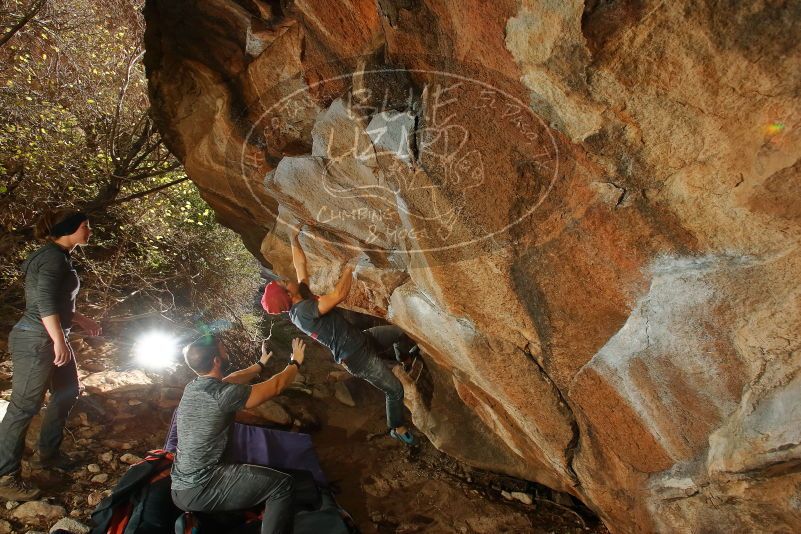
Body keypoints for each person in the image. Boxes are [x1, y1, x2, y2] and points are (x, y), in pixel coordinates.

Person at [261, 229, 418, 446]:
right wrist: (351, 266)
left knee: (400, 333)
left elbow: (300, 267)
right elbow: (338, 295)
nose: (285, 280)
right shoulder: (303, 312)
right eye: (282, 284)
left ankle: (405, 360)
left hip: (361, 340)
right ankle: (397, 428)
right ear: (288, 295)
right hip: (357, 358)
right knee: (395, 390)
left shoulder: (300, 298)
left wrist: (293, 238)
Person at [0, 209, 102, 501]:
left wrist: (79, 319)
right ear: (70, 229)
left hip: (49, 335)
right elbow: (43, 301)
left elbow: (56, 299)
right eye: (85, 225)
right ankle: (5, 476)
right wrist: (58, 340)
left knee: (68, 391)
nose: (89, 230)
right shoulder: (52, 259)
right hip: (36, 340)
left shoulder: (57, 255)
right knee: (23, 407)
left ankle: (48, 454)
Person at [171, 334, 307, 534]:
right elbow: (276, 385)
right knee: (282, 486)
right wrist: (295, 361)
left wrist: (259, 365)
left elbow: (231, 379)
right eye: (223, 349)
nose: (227, 351)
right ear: (216, 360)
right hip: (202, 487)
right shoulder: (222, 396)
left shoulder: (193, 388)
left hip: (181, 487)